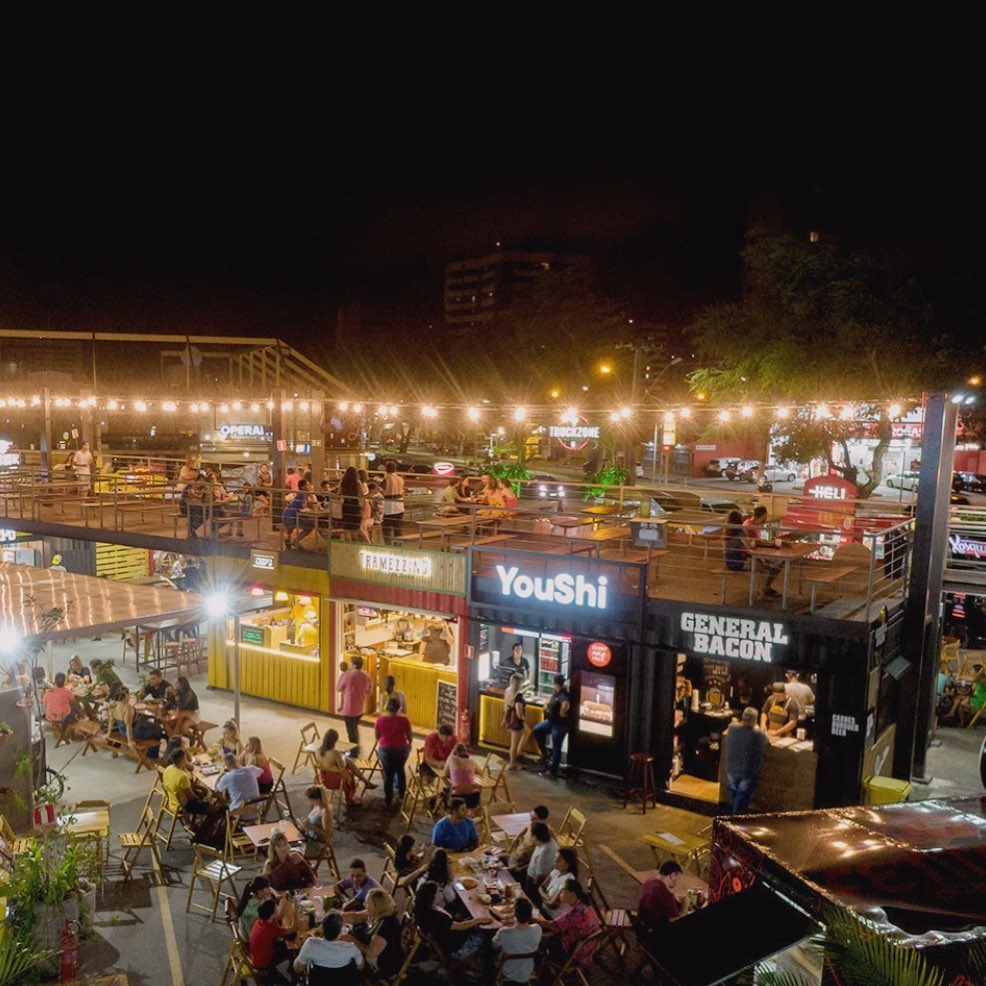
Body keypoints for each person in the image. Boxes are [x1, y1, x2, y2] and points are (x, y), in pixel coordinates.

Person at [413, 880, 490, 964]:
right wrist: (478, 920)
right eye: (439, 891)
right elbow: (460, 927)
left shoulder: (423, 908)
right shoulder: (436, 916)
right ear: (433, 896)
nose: (441, 893)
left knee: (468, 916)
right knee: (486, 931)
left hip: (442, 940)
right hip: (454, 948)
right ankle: (481, 961)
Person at [533, 880, 600, 968]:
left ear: (572, 893)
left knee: (535, 943)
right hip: (584, 950)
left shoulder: (577, 912)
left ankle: (541, 973)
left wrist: (531, 918)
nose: (560, 892)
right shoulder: (584, 904)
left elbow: (551, 925)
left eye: (563, 890)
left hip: (573, 954)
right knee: (544, 936)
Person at [339, 888, 402, 978]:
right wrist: (336, 917)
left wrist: (351, 939)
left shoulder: (386, 925)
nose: (364, 905)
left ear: (377, 906)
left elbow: (372, 953)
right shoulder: (377, 913)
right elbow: (357, 917)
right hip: (371, 954)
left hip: (382, 966)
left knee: (343, 961)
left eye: (367, 903)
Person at [162, 748, 223, 841]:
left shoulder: (168, 769)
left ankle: (199, 827)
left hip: (173, 802)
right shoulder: (182, 776)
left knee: (207, 797)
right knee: (215, 810)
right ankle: (201, 834)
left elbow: (185, 788)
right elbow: (192, 797)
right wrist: (204, 798)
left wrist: (200, 790)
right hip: (184, 805)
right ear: (183, 759)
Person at [294, 910, 363, 979]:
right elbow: (360, 966)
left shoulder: (311, 944)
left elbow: (297, 969)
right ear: (341, 932)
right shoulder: (351, 948)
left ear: (322, 928)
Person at [724, 707, 769, 814]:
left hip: (732, 769)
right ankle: (736, 822)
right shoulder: (758, 734)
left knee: (736, 798)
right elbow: (766, 741)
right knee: (741, 802)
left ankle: (734, 819)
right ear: (755, 720)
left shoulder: (732, 727)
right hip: (748, 772)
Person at [492, 897, 542, 985]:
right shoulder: (537, 929)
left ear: (515, 914)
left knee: (489, 951)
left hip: (508, 970)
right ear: (530, 914)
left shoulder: (504, 932)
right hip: (527, 971)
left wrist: (504, 926)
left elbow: (494, 945)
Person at [317, 728, 373, 807]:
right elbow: (342, 769)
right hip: (334, 781)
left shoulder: (317, 751)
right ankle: (350, 798)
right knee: (350, 769)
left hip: (324, 779)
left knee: (349, 763)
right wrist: (350, 779)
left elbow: (327, 763)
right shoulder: (335, 753)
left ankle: (365, 781)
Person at [375, 697, 413, 809]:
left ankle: (388, 801)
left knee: (388, 775)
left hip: (386, 750)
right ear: (398, 708)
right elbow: (410, 737)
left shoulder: (380, 720)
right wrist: (409, 745)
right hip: (401, 750)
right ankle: (401, 796)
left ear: (387, 707)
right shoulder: (404, 720)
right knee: (400, 770)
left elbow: (377, 737)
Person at [532, 674, 570, 777]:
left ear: (555, 683)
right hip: (550, 722)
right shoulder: (557, 692)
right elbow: (551, 701)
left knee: (557, 747)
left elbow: (565, 704)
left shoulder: (563, 694)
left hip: (559, 725)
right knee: (536, 730)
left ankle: (553, 771)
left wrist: (562, 713)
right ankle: (545, 754)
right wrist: (547, 706)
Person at [250, 898, 296, 981]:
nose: (278, 907)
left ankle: (291, 969)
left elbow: (278, 918)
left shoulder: (262, 920)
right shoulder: (270, 929)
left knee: (288, 943)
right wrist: (296, 912)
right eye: (277, 907)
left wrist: (284, 905)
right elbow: (293, 928)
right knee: (293, 949)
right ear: (272, 914)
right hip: (264, 962)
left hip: (257, 955)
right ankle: (293, 974)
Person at [637, 860, 688, 931]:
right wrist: (685, 905)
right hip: (658, 931)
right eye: (677, 878)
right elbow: (676, 922)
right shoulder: (666, 894)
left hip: (643, 923)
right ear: (672, 875)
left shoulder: (648, 882)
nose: (677, 882)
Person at [337, 655, 372, 755]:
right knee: (354, 728)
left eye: (350, 663)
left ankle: (354, 752)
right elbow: (369, 691)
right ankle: (356, 747)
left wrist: (342, 676)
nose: (349, 664)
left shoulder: (348, 676)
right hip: (360, 707)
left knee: (351, 731)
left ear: (354, 665)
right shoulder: (366, 675)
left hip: (349, 708)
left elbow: (339, 688)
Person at [744, 505, 780, 598]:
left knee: (777, 563)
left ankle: (766, 587)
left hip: (754, 553)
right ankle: (765, 588)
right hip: (752, 555)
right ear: (764, 515)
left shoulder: (749, 523)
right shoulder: (751, 526)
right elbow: (756, 543)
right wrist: (771, 544)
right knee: (776, 564)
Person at [237, 876, 283, 941]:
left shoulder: (255, 896)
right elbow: (276, 916)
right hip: (252, 937)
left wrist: (275, 894)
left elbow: (269, 889)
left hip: (254, 930)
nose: (269, 889)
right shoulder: (255, 908)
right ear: (260, 891)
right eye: (267, 887)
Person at [537, 848, 579, 919]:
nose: (555, 861)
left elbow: (553, 904)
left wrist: (544, 897)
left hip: (553, 917)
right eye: (555, 858)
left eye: (559, 859)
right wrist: (548, 898)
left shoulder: (568, 880)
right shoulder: (556, 871)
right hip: (544, 908)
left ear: (567, 864)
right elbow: (540, 888)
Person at [507, 806, 551, 870]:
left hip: (524, 862)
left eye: (534, 818)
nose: (531, 820)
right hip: (517, 854)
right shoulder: (532, 823)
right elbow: (525, 829)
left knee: (508, 868)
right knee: (497, 858)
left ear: (543, 820)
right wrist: (517, 837)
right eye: (530, 816)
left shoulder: (547, 831)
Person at [524, 822, 559, 895]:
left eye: (530, 834)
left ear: (535, 837)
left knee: (518, 891)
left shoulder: (545, 852)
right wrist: (520, 868)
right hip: (529, 874)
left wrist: (531, 889)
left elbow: (541, 876)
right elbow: (534, 862)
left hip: (533, 881)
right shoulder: (541, 842)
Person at [502, 673, 528, 770]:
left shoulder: (507, 690)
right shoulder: (518, 696)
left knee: (526, 732)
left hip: (509, 718)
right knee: (514, 744)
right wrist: (523, 718)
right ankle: (512, 764)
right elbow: (519, 712)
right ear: (520, 683)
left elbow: (506, 705)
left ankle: (518, 753)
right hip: (516, 721)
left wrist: (505, 718)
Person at [443, 743, 481, 809]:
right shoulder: (471, 760)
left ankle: (449, 809)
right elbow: (480, 772)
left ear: (454, 751)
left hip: (457, 798)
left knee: (445, 790)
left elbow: (445, 774)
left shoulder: (451, 759)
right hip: (473, 797)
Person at [298, 785, 334, 851]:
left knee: (293, 850)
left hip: (317, 843)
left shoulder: (326, 811)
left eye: (311, 800)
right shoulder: (316, 806)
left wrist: (310, 826)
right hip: (308, 836)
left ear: (318, 799)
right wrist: (304, 824)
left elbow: (327, 835)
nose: (310, 802)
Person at [381, 459, 405, 544]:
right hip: (399, 504)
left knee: (386, 527)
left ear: (386, 469)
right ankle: (398, 545)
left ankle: (388, 545)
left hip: (389, 504)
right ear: (395, 469)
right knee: (397, 528)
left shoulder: (386, 479)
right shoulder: (400, 479)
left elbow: (379, 490)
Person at [339, 466, 364, 541]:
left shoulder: (343, 482)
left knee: (347, 528)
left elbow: (339, 493)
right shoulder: (357, 482)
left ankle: (348, 545)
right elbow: (361, 495)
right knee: (355, 528)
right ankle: (355, 545)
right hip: (355, 505)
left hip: (346, 505)